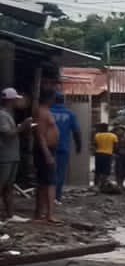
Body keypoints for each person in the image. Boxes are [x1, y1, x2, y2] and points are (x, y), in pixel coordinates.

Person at [0, 88, 32, 221]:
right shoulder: (1, 115)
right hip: (4, 156)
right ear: (10, 100)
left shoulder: (8, 114)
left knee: (9, 186)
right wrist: (22, 126)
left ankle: (10, 215)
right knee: (2, 185)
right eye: (16, 100)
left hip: (11, 155)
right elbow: (7, 134)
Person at [32, 90, 58, 222]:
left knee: (45, 182)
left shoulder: (45, 111)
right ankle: (48, 214)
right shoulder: (42, 113)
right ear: (49, 100)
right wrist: (47, 154)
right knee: (49, 183)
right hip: (45, 150)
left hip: (48, 149)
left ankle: (43, 213)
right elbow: (40, 135)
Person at [48, 93, 81, 201]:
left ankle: (47, 197)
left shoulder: (48, 112)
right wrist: (78, 145)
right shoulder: (70, 114)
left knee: (47, 173)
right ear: (63, 101)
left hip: (47, 147)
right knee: (60, 173)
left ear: (53, 100)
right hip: (63, 147)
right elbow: (76, 132)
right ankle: (57, 198)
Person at [91, 122, 116, 188]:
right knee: (106, 170)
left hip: (98, 154)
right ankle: (103, 185)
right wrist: (114, 153)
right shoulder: (113, 135)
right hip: (108, 154)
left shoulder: (97, 135)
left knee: (98, 170)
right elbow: (115, 146)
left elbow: (95, 145)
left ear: (100, 128)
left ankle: (96, 185)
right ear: (107, 128)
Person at [113, 125, 125, 190]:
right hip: (118, 156)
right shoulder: (115, 138)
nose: (120, 132)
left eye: (121, 131)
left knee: (124, 170)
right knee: (118, 170)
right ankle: (118, 184)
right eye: (119, 131)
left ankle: (121, 184)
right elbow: (114, 148)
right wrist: (114, 154)